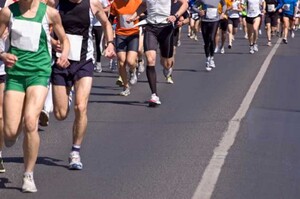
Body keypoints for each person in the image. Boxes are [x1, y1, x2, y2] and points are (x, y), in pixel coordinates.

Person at [0, 0, 70, 192]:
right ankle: (18, 121)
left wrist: (64, 54)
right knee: (9, 134)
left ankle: (28, 175)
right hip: (15, 75)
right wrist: (2, 55)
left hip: (39, 73)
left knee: (31, 121)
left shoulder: (49, 13)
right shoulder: (8, 13)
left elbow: (64, 39)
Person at [50, 0, 116, 170]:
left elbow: (106, 23)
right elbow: (42, 26)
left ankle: (75, 152)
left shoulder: (92, 4)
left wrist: (110, 44)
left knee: (81, 107)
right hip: (60, 61)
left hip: (84, 61)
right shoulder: (55, 3)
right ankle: (68, 93)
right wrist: (52, 41)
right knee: (60, 114)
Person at [129, 0, 188, 106]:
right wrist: (134, 16)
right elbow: (143, 5)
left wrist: (175, 16)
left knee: (167, 62)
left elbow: (185, 4)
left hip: (166, 27)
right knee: (150, 59)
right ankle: (154, 94)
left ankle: (167, 68)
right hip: (150, 28)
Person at [109, 0, 142, 96]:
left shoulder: (137, 2)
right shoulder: (115, 3)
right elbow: (111, 18)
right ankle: (126, 86)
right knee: (121, 61)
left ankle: (133, 70)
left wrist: (138, 16)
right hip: (120, 34)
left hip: (133, 34)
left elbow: (145, 13)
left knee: (131, 61)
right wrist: (110, 30)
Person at [193, 0, 226, 71]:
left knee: (211, 38)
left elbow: (224, 4)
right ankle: (207, 58)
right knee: (206, 41)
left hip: (215, 20)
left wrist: (223, 13)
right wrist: (199, 11)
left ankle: (212, 58)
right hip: (205, 21)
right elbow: (194, 6)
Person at [93, 0, 110, 73]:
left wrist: (99, 10)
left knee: (98, 44)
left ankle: (98, 63)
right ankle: (90, 60)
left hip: (98, 24)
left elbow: (108, 8)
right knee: (87, 42)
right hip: (88, 23)